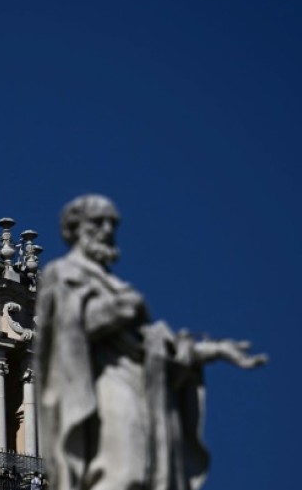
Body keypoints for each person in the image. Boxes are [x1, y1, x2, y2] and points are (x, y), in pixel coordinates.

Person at [34, 195, 266, 490]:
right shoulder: (64, 273)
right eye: (98, 222)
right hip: (105, 384)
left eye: (112, 223)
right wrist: (117, 311)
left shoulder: (116, 286)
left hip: (141, 384)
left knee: (143, 472)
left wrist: (212, 350)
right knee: (122, 472)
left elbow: (149, 346)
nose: (107, 230)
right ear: (75, 228)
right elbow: (66, 334)